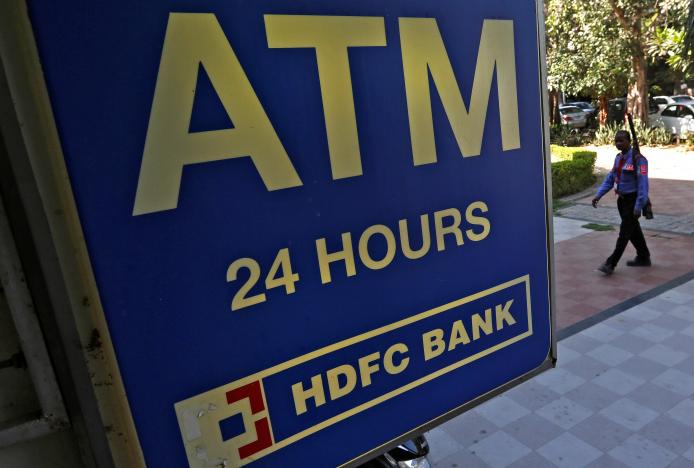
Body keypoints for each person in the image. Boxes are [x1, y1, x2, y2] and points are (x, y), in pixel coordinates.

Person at [591, 130, 651, 275]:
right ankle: (644, 257)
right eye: (616, 141)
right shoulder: (618, 158)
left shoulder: (639, 159)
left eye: (621, 141)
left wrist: (639, 205)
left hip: (633, 201)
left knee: (624, 234)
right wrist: (598, 195)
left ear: (629, 141)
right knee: (633, 230)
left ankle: (610, 264)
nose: (618, 143)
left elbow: (643, 185)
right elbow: (611, 178)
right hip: (622, 201)